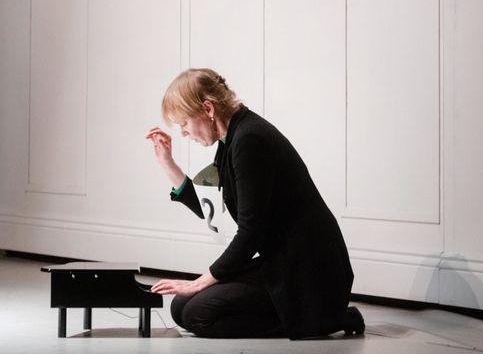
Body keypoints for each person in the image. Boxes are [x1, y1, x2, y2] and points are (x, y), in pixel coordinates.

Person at [145, 67, 365, 339]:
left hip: (308, 270)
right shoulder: (230, 140)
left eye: (184, 123)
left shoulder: (249, 140)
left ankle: (325, 318)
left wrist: (199, 282)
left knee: (195, 313)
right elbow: (210, 208)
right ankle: (317, 316)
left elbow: (250, 234)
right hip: (282, 260)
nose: (183, 133)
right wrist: (167, 163)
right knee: (181, 307)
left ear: (208, 109)